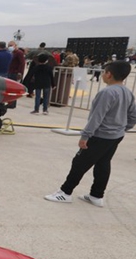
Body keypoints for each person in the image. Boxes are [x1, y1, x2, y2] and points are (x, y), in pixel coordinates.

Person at [45, 61, 136, 207]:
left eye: (104, 72)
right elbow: (133, 115)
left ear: (109, 74)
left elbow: (96, 117)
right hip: (116, 136)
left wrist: (85, 136)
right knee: (103, 163)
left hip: (100, 136)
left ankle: (65, 192)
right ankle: (96, 195)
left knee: (79, 163)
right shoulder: (127, 92)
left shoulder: (107, 92)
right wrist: (122, 128)